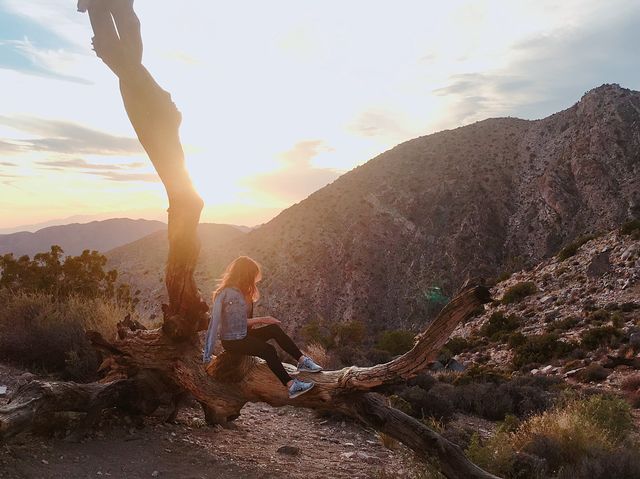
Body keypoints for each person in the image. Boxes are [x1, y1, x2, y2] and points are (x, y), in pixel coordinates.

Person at [203, 256, 323, 398]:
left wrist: (259, 327)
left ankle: (303, 361)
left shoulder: (243, 292)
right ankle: (291, 386)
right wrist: (207, 357)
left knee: (274, 330)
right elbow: (222, 324)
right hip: (232, 341)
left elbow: (245, 324)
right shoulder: (226, 293)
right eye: (252, 275)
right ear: (245, 274)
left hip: (244, 336)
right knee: (268, 350)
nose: (254, 279)